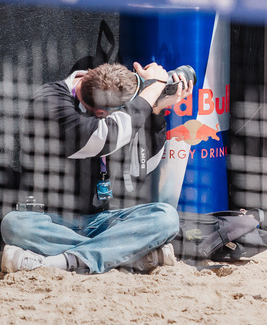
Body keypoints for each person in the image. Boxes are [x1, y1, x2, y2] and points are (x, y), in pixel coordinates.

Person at [1, 62, 191, 274]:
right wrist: (154, 88)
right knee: (14, 225)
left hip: (102, 221)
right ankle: (122, 254)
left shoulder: (111, 97)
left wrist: (155, 110)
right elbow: (103, 136)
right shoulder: (49, 101)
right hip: (52, 219)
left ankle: (57, 262)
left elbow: (141, 170)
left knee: (166, 217)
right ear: (101, 112)